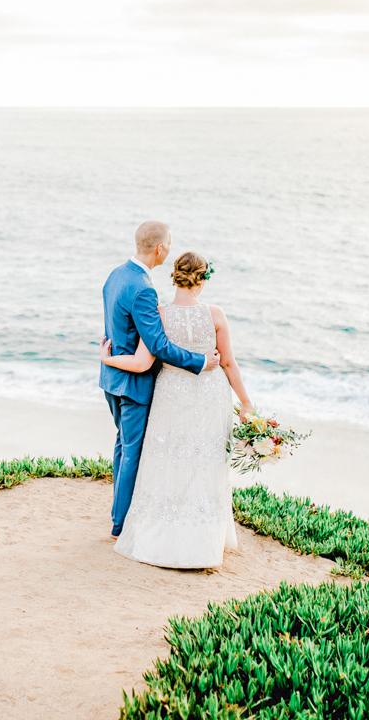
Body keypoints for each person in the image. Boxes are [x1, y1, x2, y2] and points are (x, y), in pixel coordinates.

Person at [101, 251, 255, 569]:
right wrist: (246, 401)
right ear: (202, 280)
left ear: (176, 277)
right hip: (210, 397)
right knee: (205, 461)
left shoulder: (159, 314)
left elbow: (143, 361)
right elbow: (227, 362)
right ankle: (201, 538)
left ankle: (157, 532)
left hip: (170, 396)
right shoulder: (215, 314)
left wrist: (108, 359)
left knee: (166, 460)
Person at [99, 221, 221, 541]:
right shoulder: (144, 288)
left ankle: (117, 515)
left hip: (112, 379)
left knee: (122, 447)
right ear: (160, 249)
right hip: (133, 386)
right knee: (132, 454)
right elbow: (159, 346)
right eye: (169, 243)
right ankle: (120, 527)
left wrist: (109, 359)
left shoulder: (116, 275)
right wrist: (201, 361)